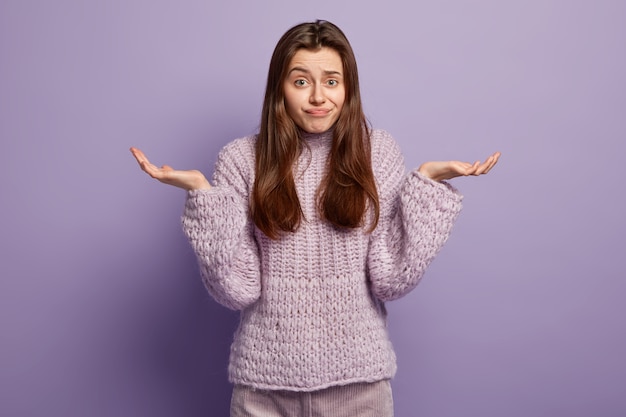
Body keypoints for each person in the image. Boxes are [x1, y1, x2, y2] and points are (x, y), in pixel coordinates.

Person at [131, 20, 499, 417]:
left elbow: (392, 279)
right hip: (264, 392)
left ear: (348, 88)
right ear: (280, 89)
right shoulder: (240, 160)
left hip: (359, 390)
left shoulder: (378, 153)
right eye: (301, 81)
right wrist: (204, 196)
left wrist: (426, 184)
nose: (318, 97)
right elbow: (236, 290)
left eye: (332, 81)